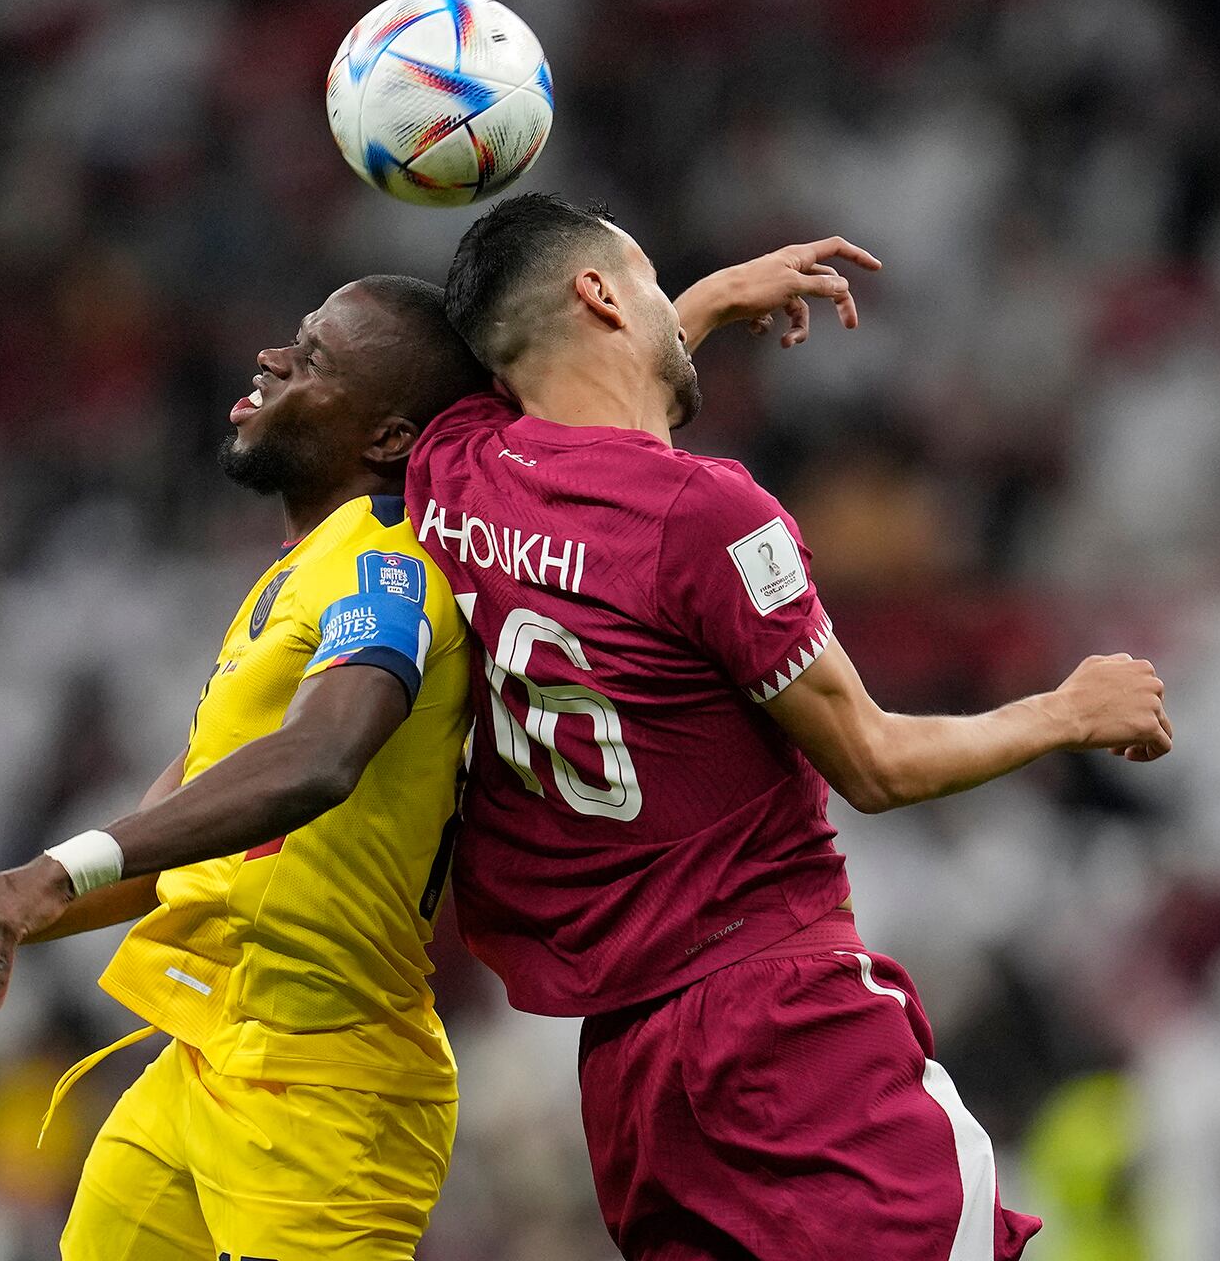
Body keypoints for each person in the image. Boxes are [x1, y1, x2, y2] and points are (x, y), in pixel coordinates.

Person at [406, 192, 1174, 1261]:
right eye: (649, 282)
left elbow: (573, 427)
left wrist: (702, 304)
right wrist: (1066, 712)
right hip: (786, 1030)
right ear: (601, 296)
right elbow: (875, 762)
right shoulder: (708, 516)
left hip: (631, 1074)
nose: (671, 303)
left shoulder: (452, 473)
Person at [0, 275, 490, 1261]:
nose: (273, 360)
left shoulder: (388, 568)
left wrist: (46, 875)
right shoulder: (295, 580)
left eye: (315, 358)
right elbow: (154, 852)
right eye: (291, 340)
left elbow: (324, 756)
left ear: (388, 437)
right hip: (203, 1064)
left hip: (326, 1091)